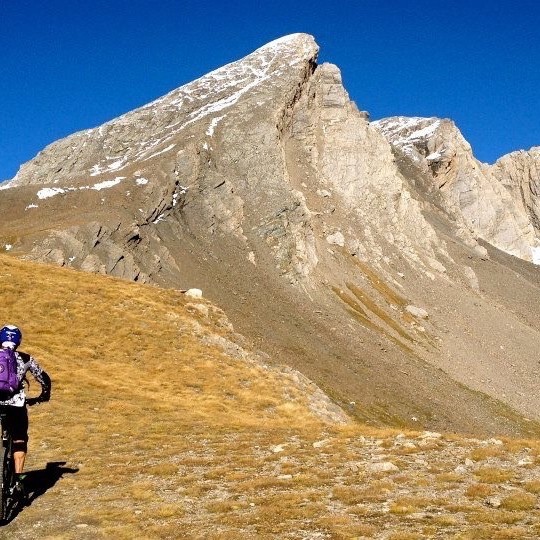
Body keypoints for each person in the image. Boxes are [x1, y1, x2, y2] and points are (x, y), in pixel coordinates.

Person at [0, 325, 51, 492]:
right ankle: (17, 478)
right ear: (18, 341)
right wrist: (44, 395)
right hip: (16, 404)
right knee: (20, 439)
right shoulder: (25, 358)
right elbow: (44, 378)